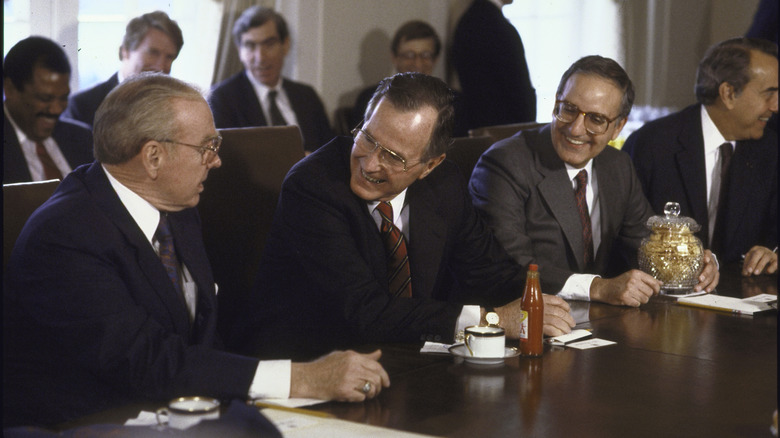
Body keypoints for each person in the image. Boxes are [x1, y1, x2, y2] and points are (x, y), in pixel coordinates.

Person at [2, 73, 389, 428]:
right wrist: (303, 378)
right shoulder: (65, 235)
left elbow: (201, 338)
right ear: (153, 156)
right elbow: (146, 361)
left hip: (175, 410)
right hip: (87, 423)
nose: (216, 161)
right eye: (207, 147)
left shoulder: (178, 208)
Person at [232, 72, 574, 359]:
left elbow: (487, 271)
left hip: (409, 357)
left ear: (430, 164)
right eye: (367, 138)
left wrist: (568, 295)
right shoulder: (312, 187)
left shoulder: (445, 183)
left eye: (393, 156)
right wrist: (493, 319)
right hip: (313, 361)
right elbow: (365, 310)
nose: (369, 163)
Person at [469, 56, 720, 307]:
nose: (576, 129)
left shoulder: (618, 165)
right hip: (522, 318)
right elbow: (508, 266)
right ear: (556, 102)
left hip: (596, 323)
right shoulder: (504, 163)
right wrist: (597, 287)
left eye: (596, 119)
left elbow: (646, 247)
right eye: (568, 109)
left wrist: (695, 264)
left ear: (618, 127)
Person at [623, 38, 778, 276]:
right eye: (769, 93)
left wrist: (771, 251)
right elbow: (625, 238)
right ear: (728, 94)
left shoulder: (770, 150)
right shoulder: (652, 144)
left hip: (739, 299)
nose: (775, 106)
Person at [208, 6, 334, 153]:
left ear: (285, 45)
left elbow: (331, 152)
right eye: (250, 46)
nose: (260, 58)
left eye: (269, 44)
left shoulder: (307, 96)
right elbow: (226, 159)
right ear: (240, 51)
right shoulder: (222, 98)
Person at [62, 10, 183, 128]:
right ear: (125, 51)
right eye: (153, 53)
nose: (160, 66)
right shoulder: (83, 105)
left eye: (169, 57)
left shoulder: (177, 107)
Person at [350, 20, 468, 136]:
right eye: (409, 55)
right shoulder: (370, 99)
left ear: (435, 59)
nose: (417, 63)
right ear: (394, 58)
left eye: (425, 55)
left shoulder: (453, 102)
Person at [3, 36, 93, 184]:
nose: (56, 110)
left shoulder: (84, 138)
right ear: (10, 89)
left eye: (63, 98)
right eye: (45, 98)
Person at [452, 0, 536, 131]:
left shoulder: (468, 21)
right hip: (503, 133)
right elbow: (520, 92)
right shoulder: (498, 26)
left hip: (480, 129)